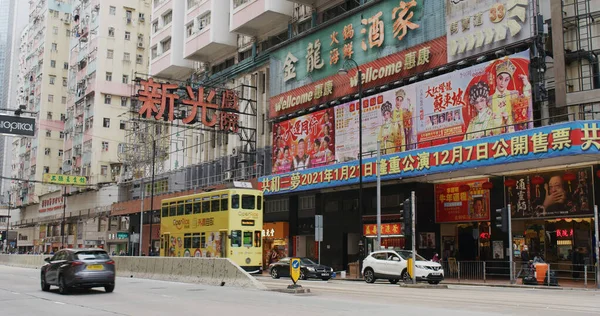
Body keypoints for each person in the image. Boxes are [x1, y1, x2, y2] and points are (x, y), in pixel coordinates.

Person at [491, 57, 531, 131]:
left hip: (512, 132)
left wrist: (526, 85)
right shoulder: (489, 99)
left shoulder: (514, 94)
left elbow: (525, 105)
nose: (502, 83)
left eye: (506, 80)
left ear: (509, 81)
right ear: (496, 79)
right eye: (500, 78)